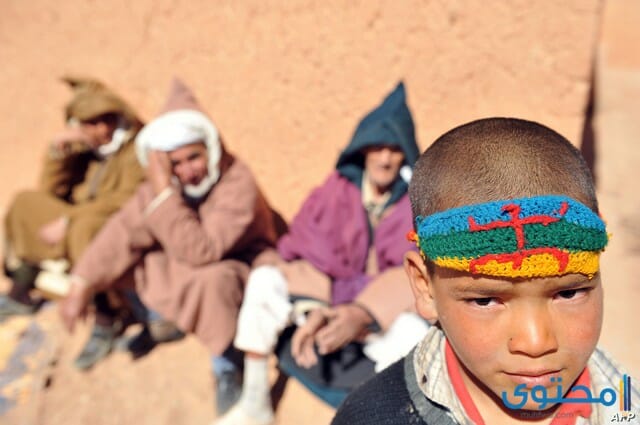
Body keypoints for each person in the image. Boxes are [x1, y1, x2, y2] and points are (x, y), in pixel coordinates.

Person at [332, 117, 640, 425]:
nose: (535, 342)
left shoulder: (627, 404)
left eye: (568, 292)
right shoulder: (372, 417)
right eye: (485, 300)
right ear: (425, 288)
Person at [58, 79, 279, 414]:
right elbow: (123, 230)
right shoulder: (165, 186)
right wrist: (80, 284)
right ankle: (161, 319)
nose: (187, 172)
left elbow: (203, 251)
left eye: (194, 158)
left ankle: (227, 365)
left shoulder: (236, 181)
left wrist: (163, 192)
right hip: (192, 259)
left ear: (211, 148)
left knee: (211, 282)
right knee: (126, 259)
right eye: (175, 163)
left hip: (239, 264)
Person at [217, 82, 429, 425]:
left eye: (394, 149)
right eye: (378, 147)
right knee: (266, 280)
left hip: (375, 319)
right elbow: (301, 251)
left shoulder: (414, 204)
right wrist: (315, 306)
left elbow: (417, 273)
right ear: (363, 150)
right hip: (322, 305)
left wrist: (361, 313)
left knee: (412, 334)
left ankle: (377, 414)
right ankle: (255, 401)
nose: (386, 158)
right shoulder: (334, 192)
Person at [1, 77, 146, 364]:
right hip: (78, 215)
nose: (80, 131)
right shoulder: (88, 150)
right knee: (25, 204)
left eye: (86, 124)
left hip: (109, 224)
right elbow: (49, 191)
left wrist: (68, 221)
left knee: (86, 232)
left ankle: (108, 317)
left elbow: (124, 201)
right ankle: (21, 291)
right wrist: (59, 152)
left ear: (104, 123)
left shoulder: (135, 150)